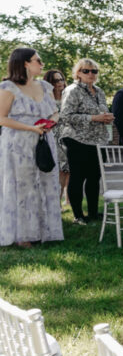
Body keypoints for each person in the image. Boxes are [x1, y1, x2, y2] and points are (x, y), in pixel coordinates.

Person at [0, 48, 63, 247]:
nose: (42, 64)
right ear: (25, 63)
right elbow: (2, 118)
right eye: (38, 60)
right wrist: (31, 127)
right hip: (19, 143)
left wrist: (50, 123)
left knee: (46, 184)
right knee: (23, 187)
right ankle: (23, 235)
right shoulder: (8, 87)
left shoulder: (45, 86)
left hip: (44, 140)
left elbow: (55, 112)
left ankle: (45, 231)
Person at [60, 58, 114, 225]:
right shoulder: (72, 90)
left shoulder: (99, 91)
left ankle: (93, 212)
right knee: (77, 177)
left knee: (94, 177)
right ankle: (78, 215)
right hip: (77, 139)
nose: (91, 74)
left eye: (94, 71)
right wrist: (93, 118)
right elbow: (65, 116)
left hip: (97, 141)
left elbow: (103, 110)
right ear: (78, 73)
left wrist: (107, 118)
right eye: (86, 71)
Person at [42, 69, 70, 197]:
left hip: (69, 136)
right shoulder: (46, 99)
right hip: (53, 136)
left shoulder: (69, 97)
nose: (60, 82)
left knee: (68, 169)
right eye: (56, 80)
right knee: (58, 169)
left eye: (61, 79)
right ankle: (56, 200)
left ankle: (68, 198)